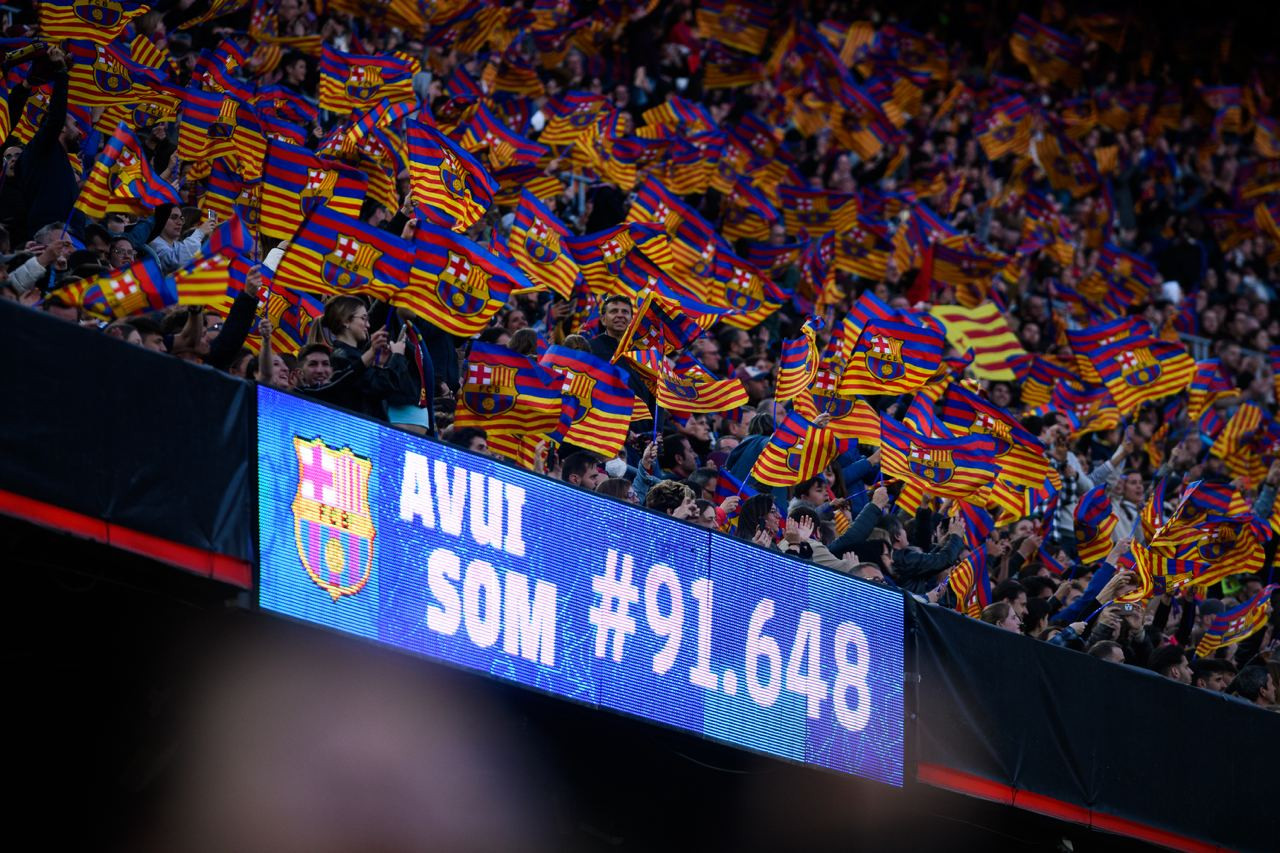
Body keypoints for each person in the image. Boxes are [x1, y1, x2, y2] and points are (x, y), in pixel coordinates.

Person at [148, 204, 216, 273]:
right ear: (161, 220)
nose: (180, 222)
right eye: (174, 217)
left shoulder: (177, 244)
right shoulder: (153, 245)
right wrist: (200, 232)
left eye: (181, 218)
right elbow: (175, 261)